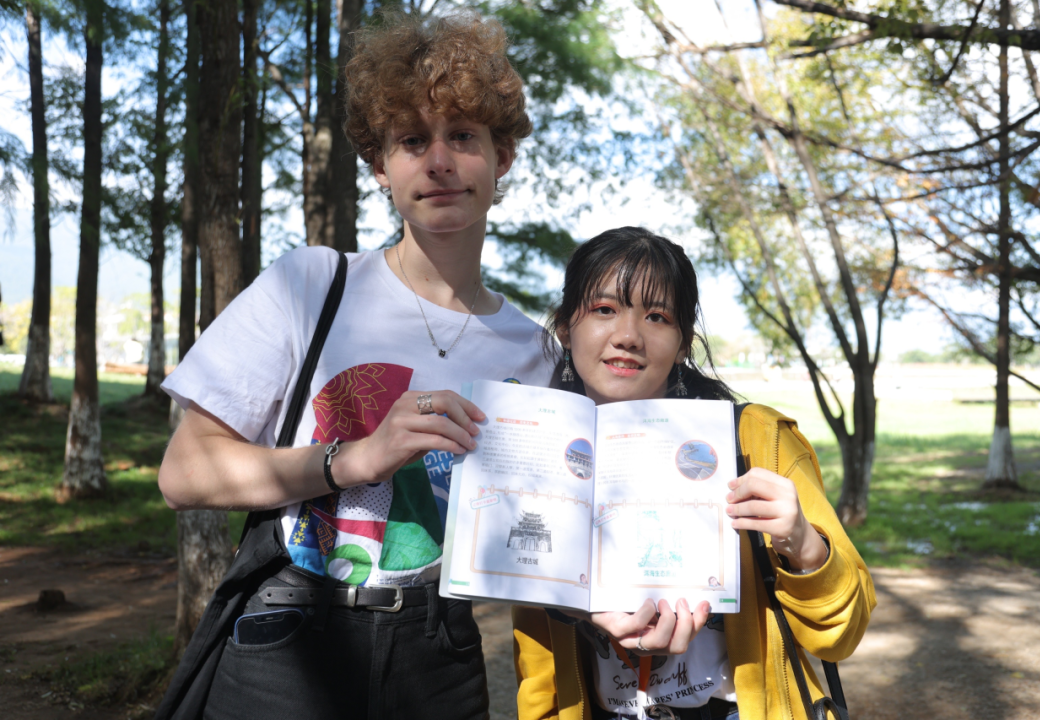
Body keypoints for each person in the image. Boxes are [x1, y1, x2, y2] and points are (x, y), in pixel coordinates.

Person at [156, 11, 549, 720]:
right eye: (411, 140)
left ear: (503, 156)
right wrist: (353, 460)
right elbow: (183, 473)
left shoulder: (536, 353)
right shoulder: (311, 283)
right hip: (288, 641)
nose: (438, 161)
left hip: (442, 656)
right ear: (379, 167)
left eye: (463, 135)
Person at [512, 227, 876, 720]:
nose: (628, 336)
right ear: (564, 326)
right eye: (604, 309)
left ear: (683, 342)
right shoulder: (541, 455)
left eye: (657, 317)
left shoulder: (756, 440)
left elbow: (842, 634)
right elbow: (539, 667)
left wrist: (803, 544)